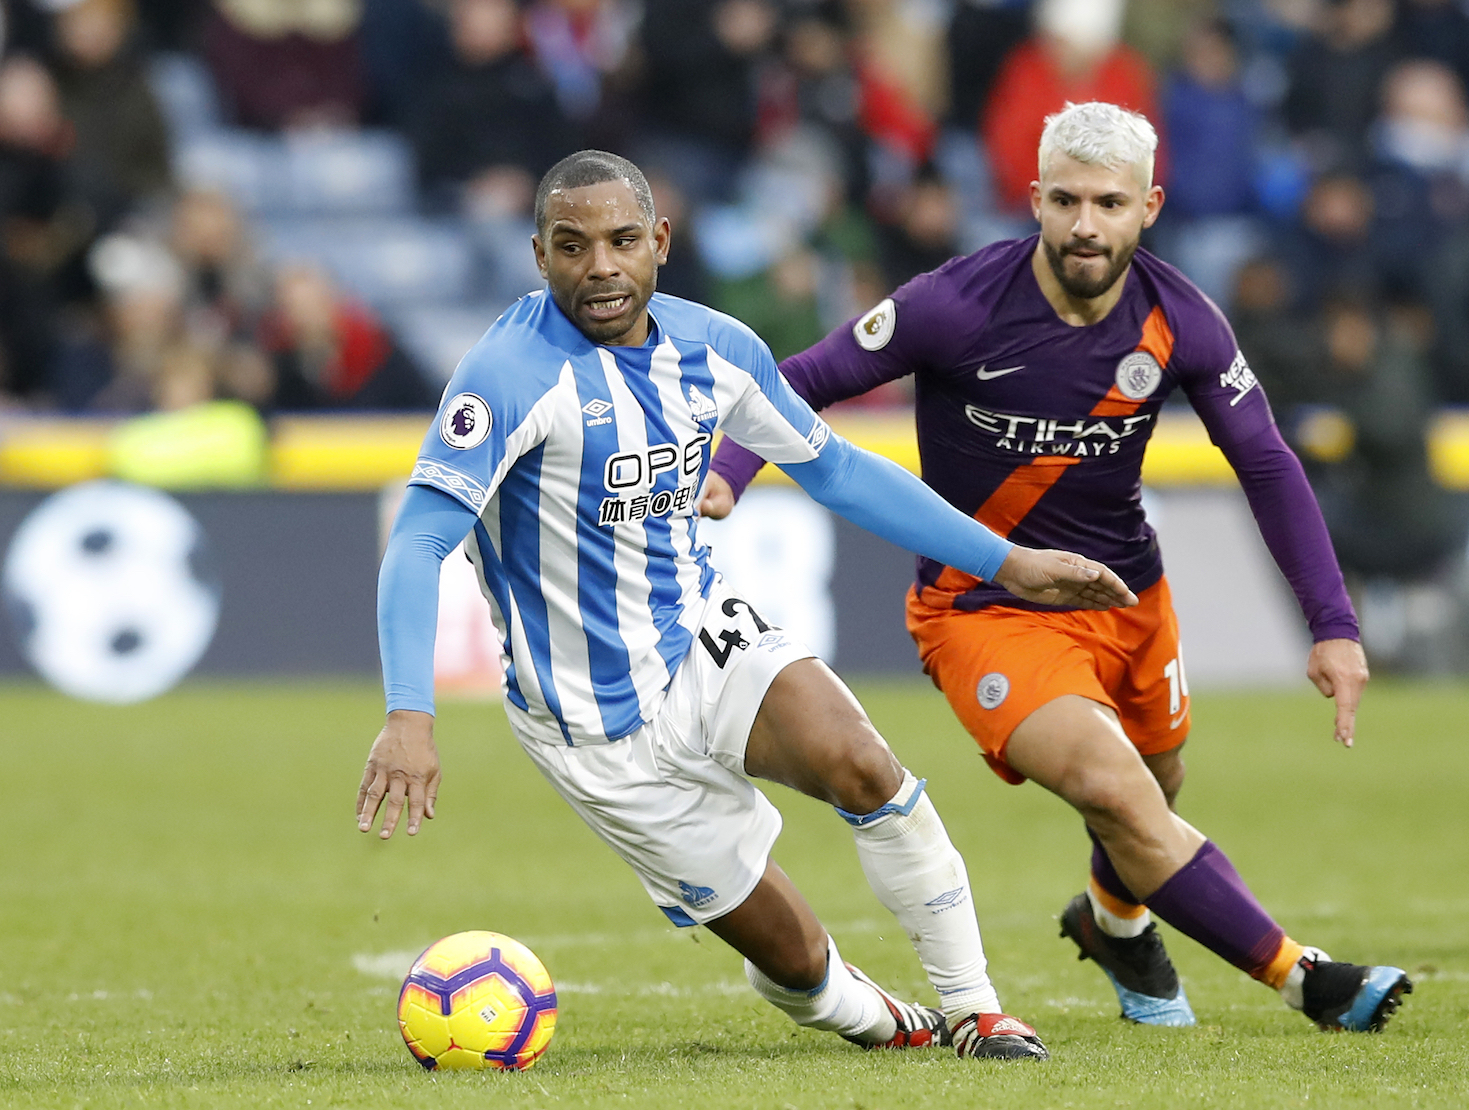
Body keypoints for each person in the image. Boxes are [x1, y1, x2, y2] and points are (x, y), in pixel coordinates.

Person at [356, 149, 1139, 1060]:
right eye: (572, 247)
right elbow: (419, 541)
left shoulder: (716, 348)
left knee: (864, 765)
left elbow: (837, 470)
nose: (600, 267)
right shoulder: (506, 376)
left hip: (700, 634)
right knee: (796, 963)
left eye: (621, 241)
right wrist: (408, 715)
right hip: (591, 722)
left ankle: (976, 1009)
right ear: (539, 256)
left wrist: (1009, 563)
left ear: (660, 241)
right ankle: (876, 1017)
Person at [704, 102, 1413, 1033]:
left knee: (1155, 789)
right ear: (1034, 198)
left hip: (1129, 596)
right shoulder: (954, 305)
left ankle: (1115, 925)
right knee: (1115, 790)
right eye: (1067, 201)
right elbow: (800, 381)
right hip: (985, 606)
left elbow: (1268, 463)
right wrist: (730, 472)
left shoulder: (1183, 321)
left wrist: (1333, 624)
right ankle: (1306, 978)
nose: (1086, 224)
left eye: (1110, 204)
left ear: (1148, 207)